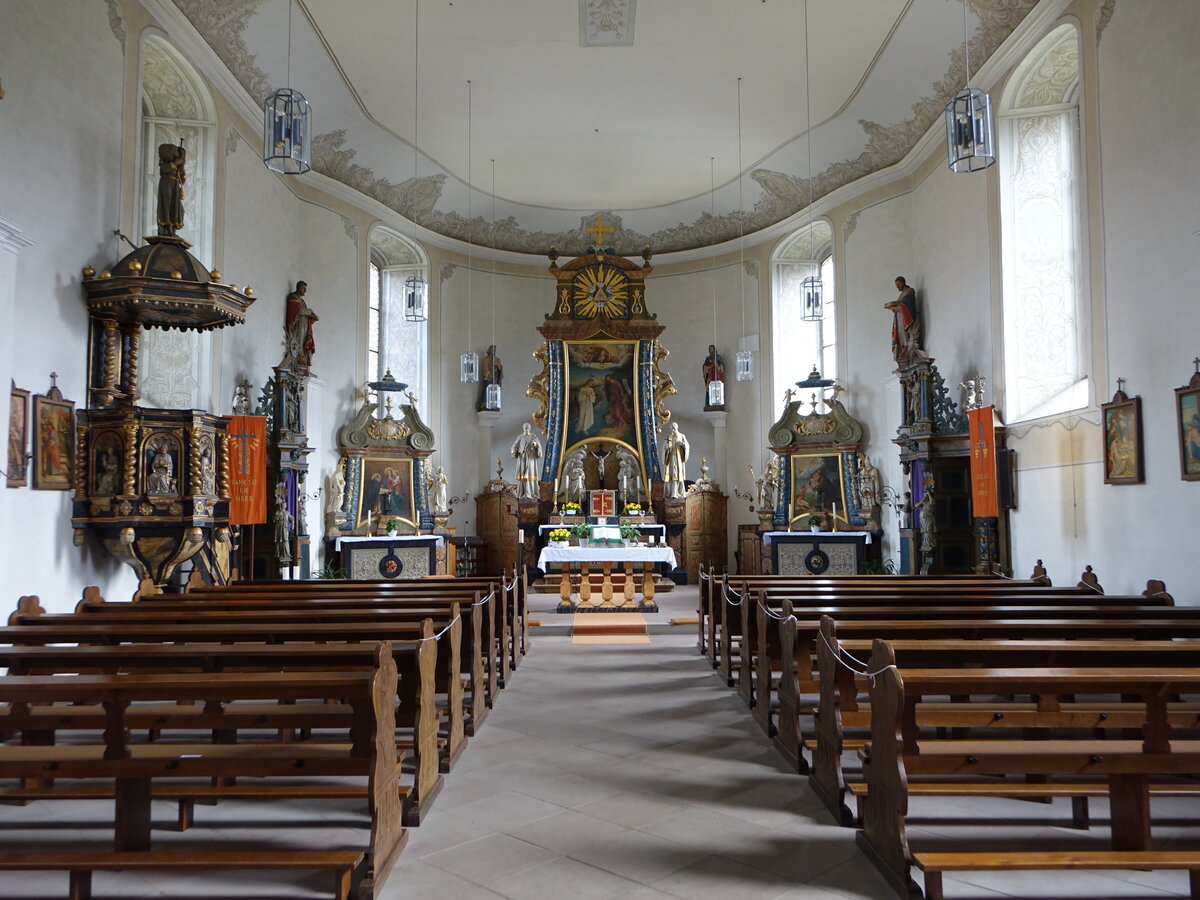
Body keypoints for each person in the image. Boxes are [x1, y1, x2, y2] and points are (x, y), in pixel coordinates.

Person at [884, 276, 923, 366]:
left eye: (898, 284)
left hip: (905, 320)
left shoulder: (909, 292)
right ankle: (903, 349)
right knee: (900, 336)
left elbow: (909, 308)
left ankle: (906, 348)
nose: (897, 286)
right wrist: (895, 308)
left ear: (903, 282)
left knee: (905, 335)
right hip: (900, 320)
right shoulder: (902, 294)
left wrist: (897, 308)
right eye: (896, 285)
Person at [284, 281, 318, 371]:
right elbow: (298, 310)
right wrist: (309, 312)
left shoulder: (302, 300)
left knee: (303, 340)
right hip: (297, 324)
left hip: (304, 325)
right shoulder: (293, 297)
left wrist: (312, 315)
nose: (305, 291)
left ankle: (301, 354)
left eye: (305, 289)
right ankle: (298, 354)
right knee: (299, 338)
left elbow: (303, 310)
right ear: (298, 287)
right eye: (304, 289)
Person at [156, 141, 186, 236]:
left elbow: (182, 181)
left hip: (175, 187)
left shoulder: (176, 166)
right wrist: (175, 164)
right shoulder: (165, 164)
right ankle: (167, 229)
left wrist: (182, 170)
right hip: (167, 185)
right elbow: (166, 169)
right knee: (167, 207)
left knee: (178, 209)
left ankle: (173, 230)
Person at [510, 423, 542, 500]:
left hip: (531, 458)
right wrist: (514, 451)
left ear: (530, 428)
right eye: (525, 427)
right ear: (523, 428)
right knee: (523, 474)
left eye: (528, 427)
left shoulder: (533, 437)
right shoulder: (520, 437)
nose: (527, 428)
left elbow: (539, 446)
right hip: (522, 458)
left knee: (530, 474)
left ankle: (530, 493)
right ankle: (522, 493)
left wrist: (535, 445)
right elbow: (514, 445)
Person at [662, 423, 690, 499]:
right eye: (671, 429)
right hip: (671, 459)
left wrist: (682, 445)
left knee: (679, 476)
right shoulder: (668, 437)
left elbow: (687, 445)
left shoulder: (682, 436)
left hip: (679, 459)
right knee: (672, 476)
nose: (673, 430)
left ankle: (680, 493)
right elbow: (664, 448)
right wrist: (667, 448)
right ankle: (672, 493)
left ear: (677, 428)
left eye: (674, 429)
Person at [476, 345, 503, 410]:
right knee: (487, 389)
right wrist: (489, 374)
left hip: (495, 379)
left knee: (495, 391)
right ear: (489, 350)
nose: (494, 351)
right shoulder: (486, 359)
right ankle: (484, 403)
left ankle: (494, 404)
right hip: (489, 378)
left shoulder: (497, 359)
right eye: (493, 349)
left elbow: (500, 369)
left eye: (495, 350)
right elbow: (485, 369)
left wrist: (497, 365)